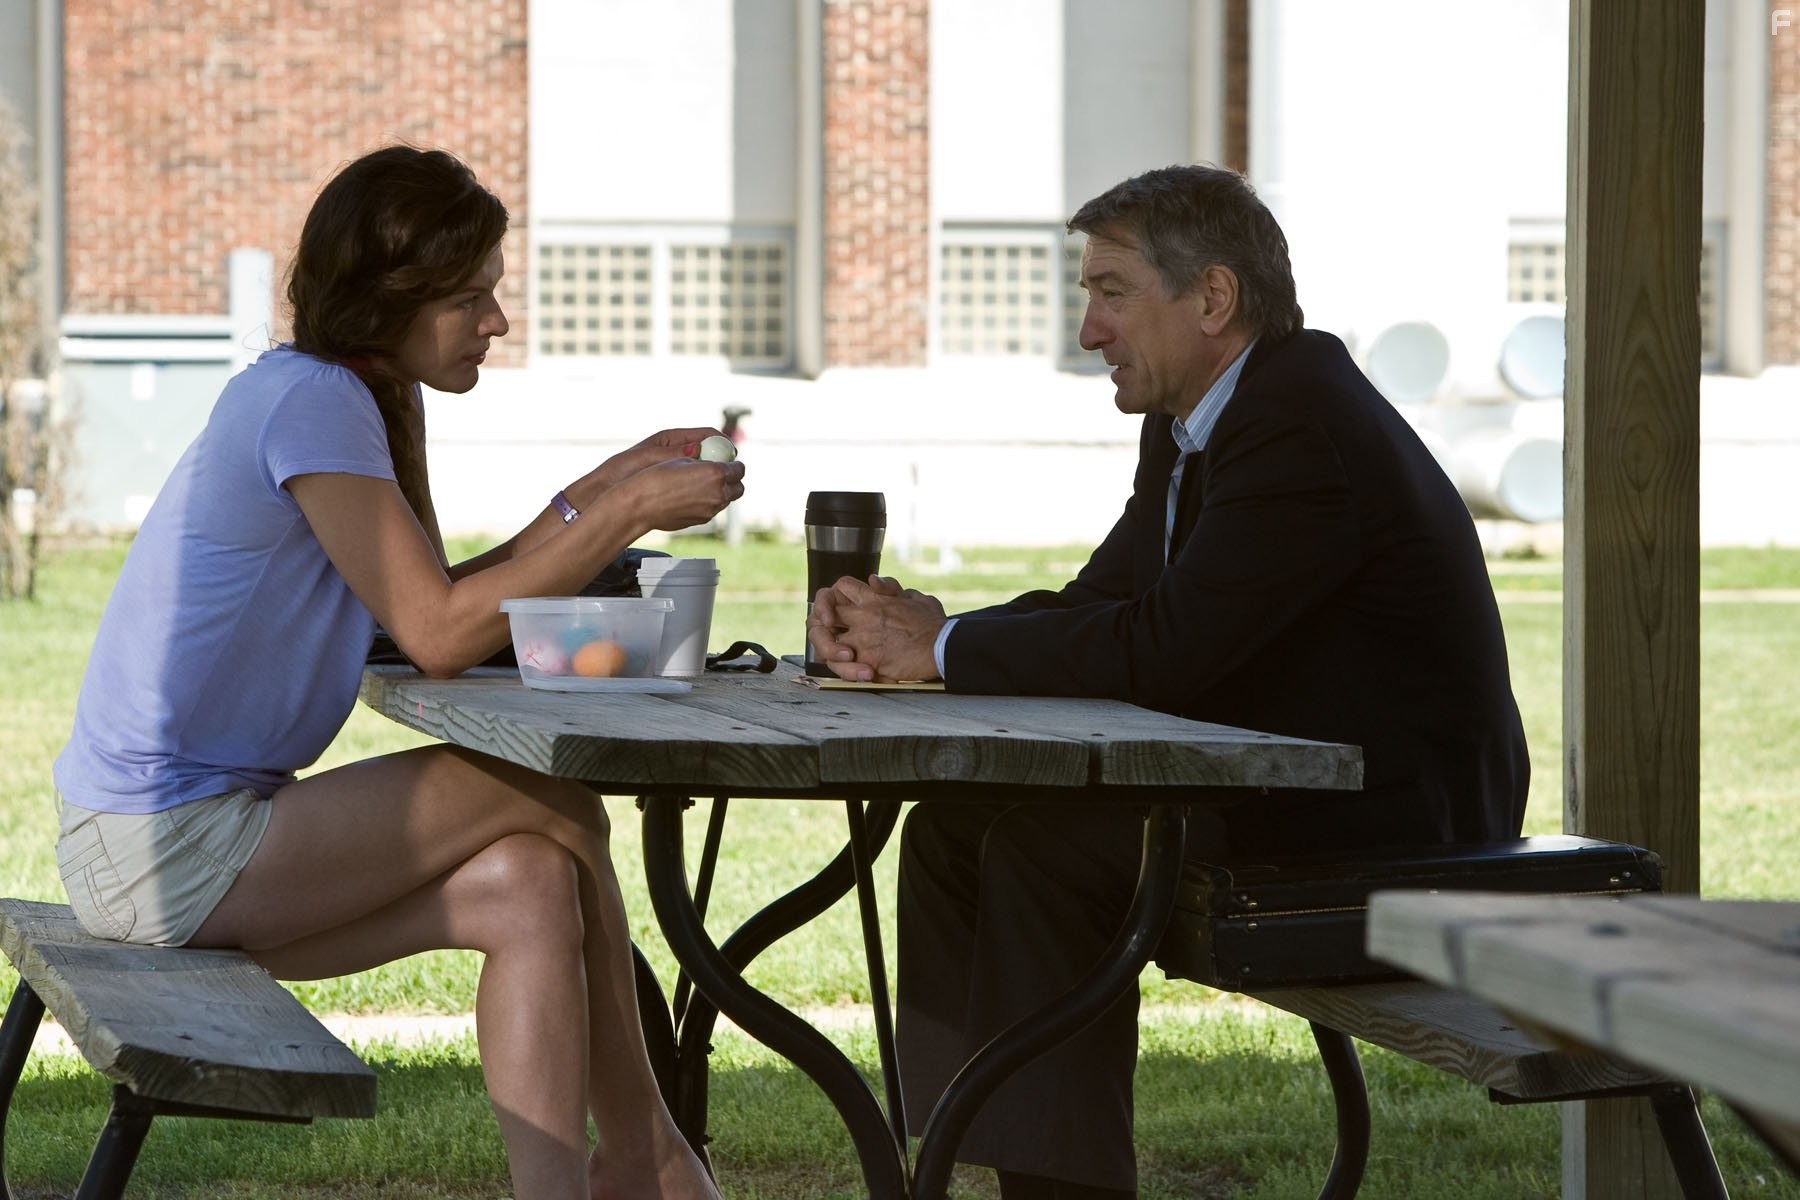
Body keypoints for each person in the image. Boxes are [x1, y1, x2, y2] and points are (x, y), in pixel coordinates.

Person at [807, 164, 1529, 1198]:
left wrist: (945, 646)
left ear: (1213, 299)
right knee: (954, 829)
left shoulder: (1296, 423)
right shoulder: (1204, 414)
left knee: (1049, 851)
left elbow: (1164, 651)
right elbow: (1105, 600)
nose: (1089, 328)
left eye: (1110, 291)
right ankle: (962, 1154)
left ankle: (1055, 1190)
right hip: (1292, 791)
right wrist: (918, 635)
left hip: (1390, 824)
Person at [51, 145, 743, 1200]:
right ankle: (649, 1161)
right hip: (162, 846)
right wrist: (623, 514)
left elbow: (440, 597)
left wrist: (605, 482)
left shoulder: (355, 396)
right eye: (472, 299)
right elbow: (439, 633)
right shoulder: (316, 400)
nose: (498, 322)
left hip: (175, 841)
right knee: (552, 793)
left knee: (531, 887)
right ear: (387, 304)